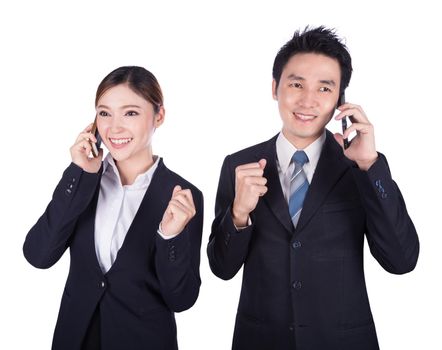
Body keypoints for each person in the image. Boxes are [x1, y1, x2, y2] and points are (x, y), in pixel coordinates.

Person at [207, 27, 419, 350]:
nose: (308, 100)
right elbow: (221, 269)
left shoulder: (360, 166)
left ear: (339, 100)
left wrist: (369, 166)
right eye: (296, 84)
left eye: (324, 88)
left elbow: (401, 260)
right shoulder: (240, 165)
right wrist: (238, 215)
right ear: (275, 87)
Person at [23, 66, 203, 350]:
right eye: (104, 113)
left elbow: (181, 299)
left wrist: (171, 236)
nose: (113, 128)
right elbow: (38, 255)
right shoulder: (84, 181)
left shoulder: (181, 196)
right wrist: (78, 173)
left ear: (160, 116)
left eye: (130, 113)